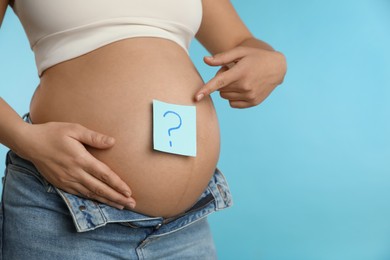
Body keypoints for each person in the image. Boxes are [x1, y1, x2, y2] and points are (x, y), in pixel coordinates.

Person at [0, 0, 286, 259]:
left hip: (186, 228)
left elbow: (243, 42)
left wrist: (270, 61)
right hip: (66, 211)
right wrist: (25, 138)